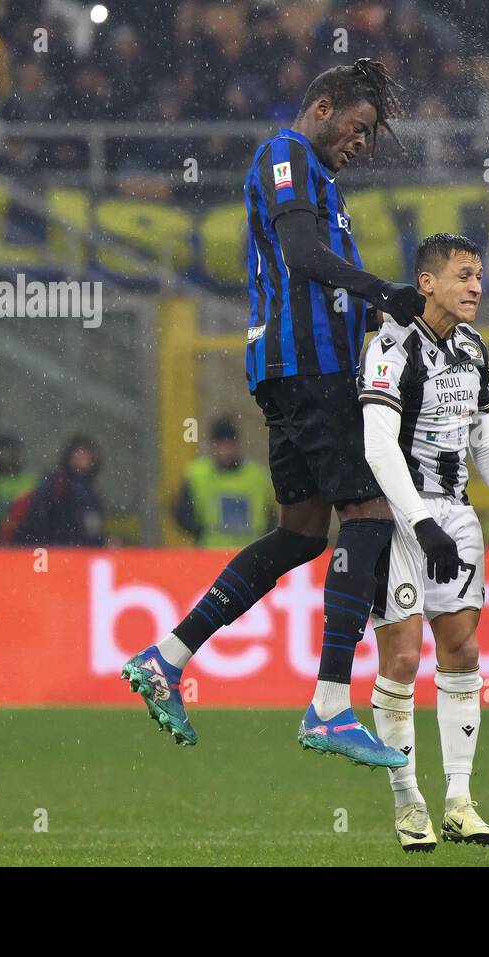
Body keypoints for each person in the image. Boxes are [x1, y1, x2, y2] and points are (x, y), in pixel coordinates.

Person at [122, 59, 428, 762]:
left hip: (297, 372)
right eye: (355, 129)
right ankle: (327, 705)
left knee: (299, 534)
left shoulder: (322, 181)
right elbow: (299, 252)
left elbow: (320, 269)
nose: (360, 145)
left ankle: (167, 656)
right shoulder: (285, 154)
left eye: (368, 138)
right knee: (371, 514)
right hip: (308, 369)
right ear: (322, 107)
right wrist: (385, 291)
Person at [359, 233, 489, 851]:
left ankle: (460, 801)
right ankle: (408, 802)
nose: (476, 287)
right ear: (426, 282)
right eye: (464, 275)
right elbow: (378, 447)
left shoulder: (473, 349)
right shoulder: (390, 347)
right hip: (397, 517)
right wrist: (418, 521)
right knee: (401, 658)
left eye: (479, 276)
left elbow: (485, 440)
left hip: (458, 516)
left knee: (463, 651)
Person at [172, 418, 273, 548]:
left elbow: (271, 517)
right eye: (222, 444)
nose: (227, 450)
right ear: (214, 446)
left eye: (230, 444)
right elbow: (181, 513)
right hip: (212, 554)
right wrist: (199, 531)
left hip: (249, 554)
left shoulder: (257, 477)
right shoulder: (197, 475)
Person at [14, 435, 104, 547]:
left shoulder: (89, 488)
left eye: (86, 456)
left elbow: (93, 525)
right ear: (69, 457)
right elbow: (41, 517)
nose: (82, 460)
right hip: (59, 548)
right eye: (78, 455)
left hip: (78, 550)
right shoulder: (58, 482)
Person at [0, 435, 36, 534]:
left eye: (14, 452)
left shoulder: (30, 480)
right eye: (6, 453)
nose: (10, 457)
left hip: (24, 533)